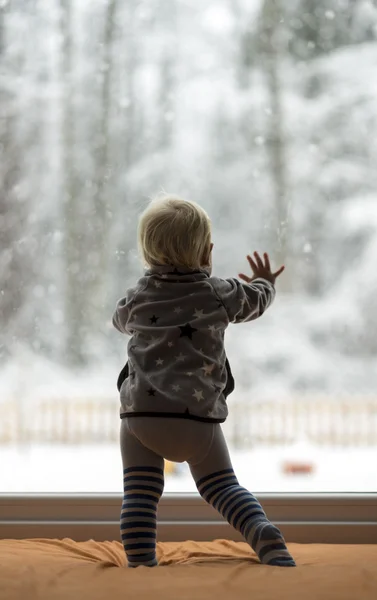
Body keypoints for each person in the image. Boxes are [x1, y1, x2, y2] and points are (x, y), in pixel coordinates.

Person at [112, 193, 295, 568]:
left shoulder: (138, 297)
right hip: (197, 419)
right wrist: (265, 282)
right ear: (207, 253)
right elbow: (256, 301)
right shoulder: (217, 293)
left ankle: (140, 561)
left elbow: (118, 320)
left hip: (140, 418)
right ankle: (259, 530)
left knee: (140, 494)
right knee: (223, 486)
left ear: (147, 254)